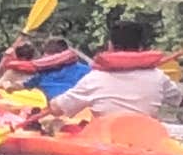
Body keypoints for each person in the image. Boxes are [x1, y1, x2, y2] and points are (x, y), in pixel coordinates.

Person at [44, 22, 183, 119]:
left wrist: (53, 103)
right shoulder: (159, 77)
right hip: (148, 138)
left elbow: (58, 109)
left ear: (110, 46)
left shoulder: (94, 78)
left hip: (106, 139)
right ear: (141, 48)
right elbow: (180, 100)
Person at [17, 37, 91, 100]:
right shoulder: (43, 72)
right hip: (48, 110)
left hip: (76, 111)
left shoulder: (85, 71)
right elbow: (25, 85)